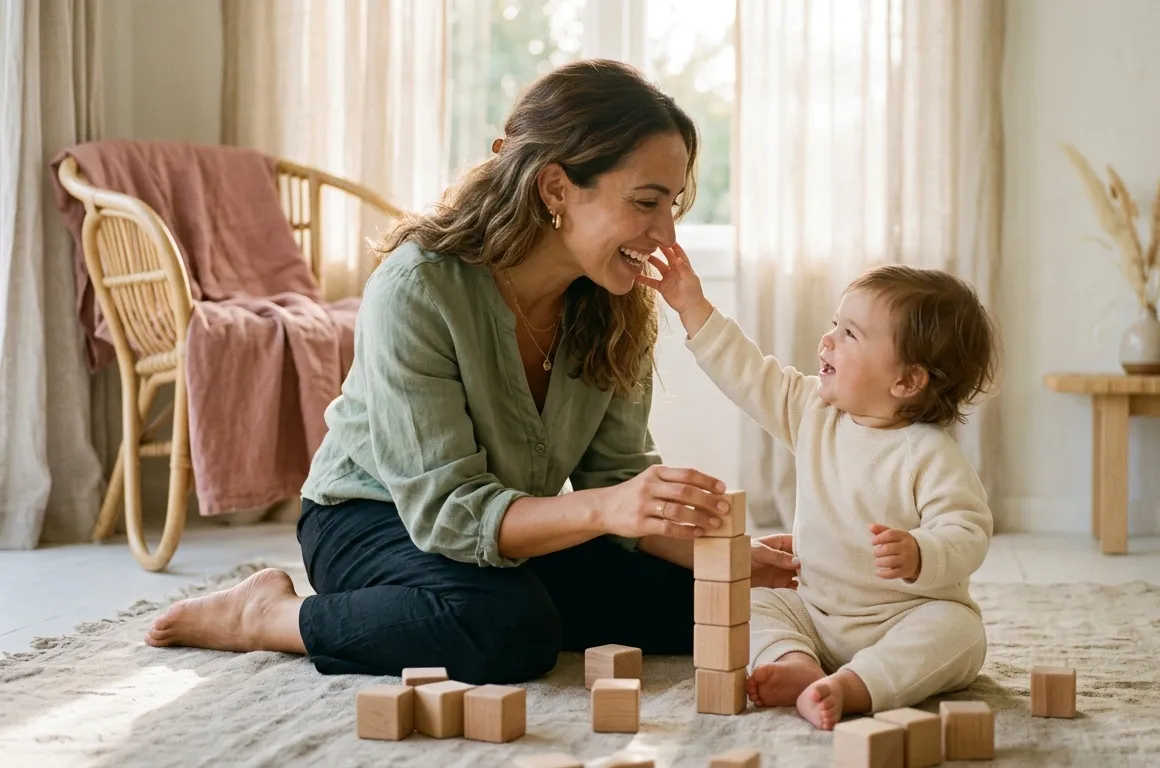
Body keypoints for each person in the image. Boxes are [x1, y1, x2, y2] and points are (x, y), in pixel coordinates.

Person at [144, 59, 799, 683]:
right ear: (555, 189)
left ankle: (486, 601)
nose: (665, 234)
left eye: (674, 206)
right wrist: (606, 510)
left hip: (506, 527)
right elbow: (451, 514)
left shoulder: (617, 305)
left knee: (694, 607)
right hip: (377, 518)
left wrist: (730, 557)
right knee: (504, 628)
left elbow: (618, 478)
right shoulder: (419, 287)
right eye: (647, 202)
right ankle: (270, 615)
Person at [639, 244, 999, 729]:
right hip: (815, 610)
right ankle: (795, 663)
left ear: (908, 380)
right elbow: (748, 374)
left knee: (961, 633)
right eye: (835, 324)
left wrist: (921, 552)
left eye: (849, 334)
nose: (826, 341)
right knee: (749, 598)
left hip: (905, 616)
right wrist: (691, 306)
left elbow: (969, 531)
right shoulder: (814, 412)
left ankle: (856, 685)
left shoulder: (931, 454)